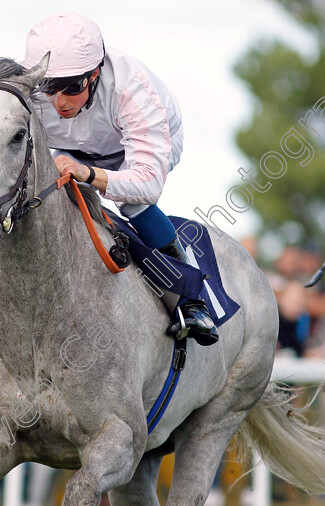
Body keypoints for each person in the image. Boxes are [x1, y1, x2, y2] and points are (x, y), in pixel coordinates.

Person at [20, 12, 217, 344]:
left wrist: (90, 174)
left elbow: (148, 185)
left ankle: (191, 301)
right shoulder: (29, 88)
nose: (59, 101)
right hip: (75, 147)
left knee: (132, 202)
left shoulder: (133, 92)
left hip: (142, 147)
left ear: (94, 73)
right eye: (49, 87)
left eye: (71, 87)